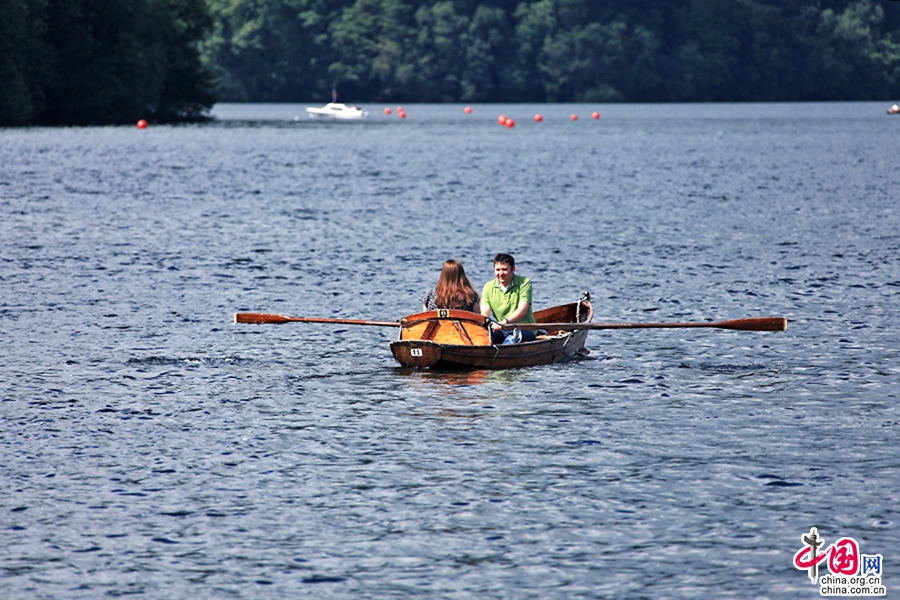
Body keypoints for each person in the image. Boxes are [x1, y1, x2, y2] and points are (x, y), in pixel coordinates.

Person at [480, 253, 537, 344]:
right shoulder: (488, 286)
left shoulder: (524, 283)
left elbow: (522, 310)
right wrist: (487, 322)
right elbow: (485, 312)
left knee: (510, 340)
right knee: (482, 338)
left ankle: (501, 354)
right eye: (497, 270)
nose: (500, 273)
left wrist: (504, 322)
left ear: (513, 269)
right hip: (501, 328)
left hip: (524, 329)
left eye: (504, 269)